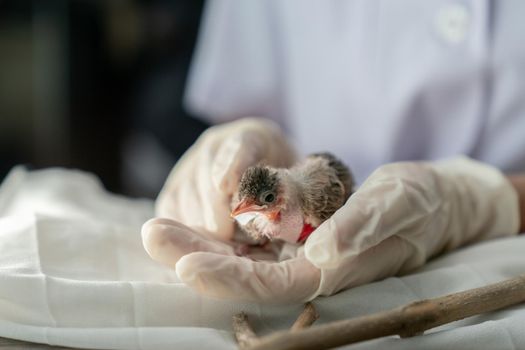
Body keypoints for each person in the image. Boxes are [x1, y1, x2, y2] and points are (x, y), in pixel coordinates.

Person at [141, 1, 525, 303]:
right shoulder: (267, 211)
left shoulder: (311, 200)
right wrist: (224, 166)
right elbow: (245, 103)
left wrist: (486, 203)